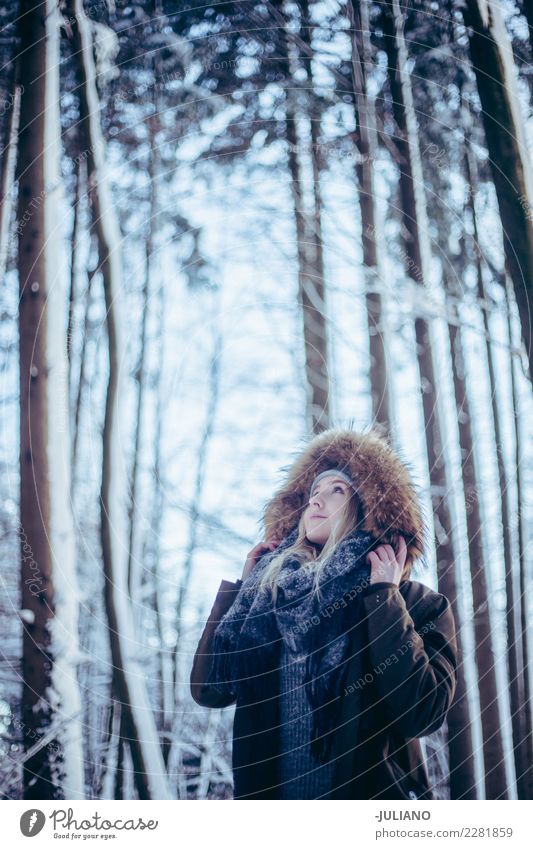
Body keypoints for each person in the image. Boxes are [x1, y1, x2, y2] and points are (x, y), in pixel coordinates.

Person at [190, 428, 457, 800]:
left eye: (336, 490)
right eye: (313, 493)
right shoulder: (270, 600)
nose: (316, 501)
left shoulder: (418, 604)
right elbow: (210, 690)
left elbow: (423, 712)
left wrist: (384, 597)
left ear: (368, 508)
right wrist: (244, 590)